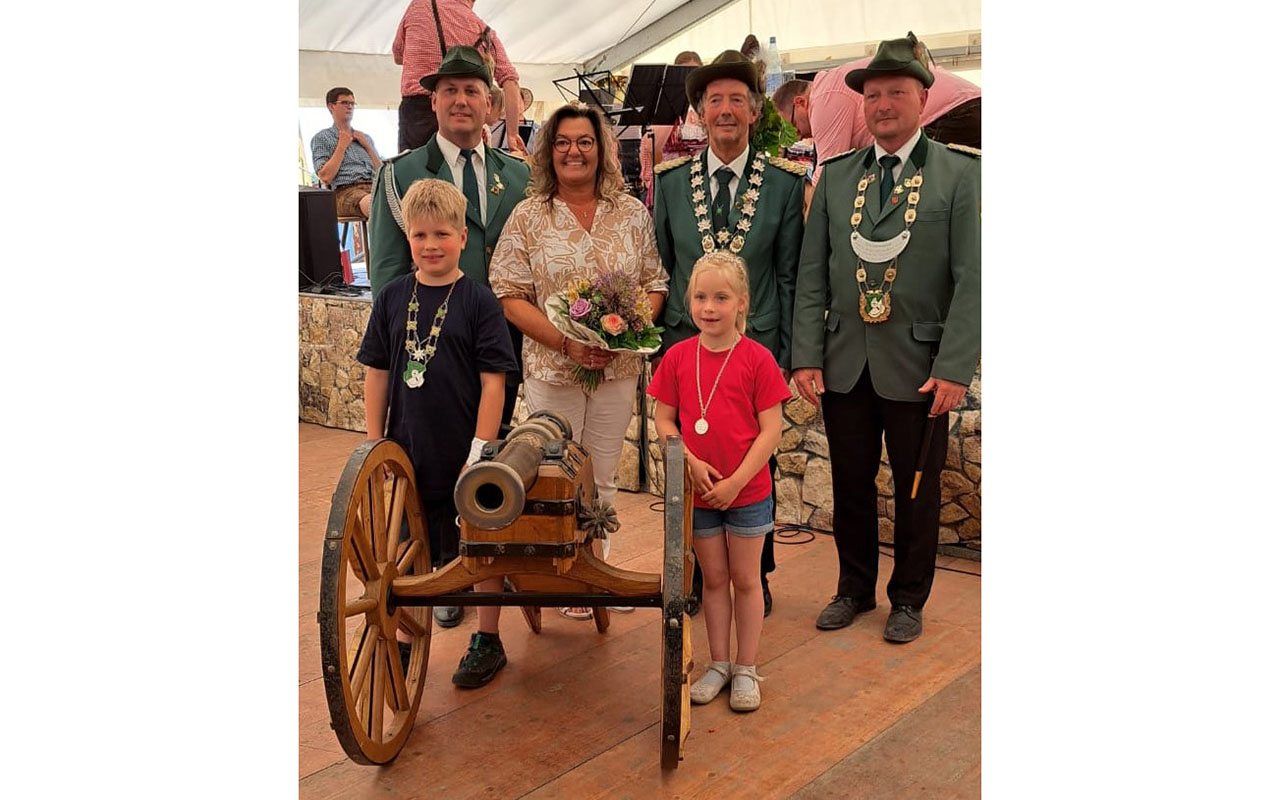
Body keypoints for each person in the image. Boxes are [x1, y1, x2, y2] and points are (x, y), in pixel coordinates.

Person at [790, 33, 981, 643]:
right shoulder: (839, 176)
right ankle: (853, 588)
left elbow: (973, 278)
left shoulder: (959, 174)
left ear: (922, 98)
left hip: (921, 366)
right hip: (845, 363)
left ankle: (908, 598)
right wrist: (805, 355)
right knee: (849, 483)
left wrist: (955, 367)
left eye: (896, 91)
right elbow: (812, 273)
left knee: (916, 489)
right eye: (872, 95)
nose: (882, 104)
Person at [489, 103, 668, 620]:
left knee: (604, 475)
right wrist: (567, 343)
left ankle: (598, 575)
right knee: (555, 476)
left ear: (602, 149)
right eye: (563, 141)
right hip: (552, 369)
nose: (574, 151)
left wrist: (627, 332)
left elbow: (655, 283)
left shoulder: (630, 213)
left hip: (615, 370)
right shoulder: (529, 215)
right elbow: (509, 293)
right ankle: (561, 577)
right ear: (549, 151)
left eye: (585, 141)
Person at [652, 49, 806, 618]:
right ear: (698, 110)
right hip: (686, 351)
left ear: (755, 109)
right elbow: (662, 270)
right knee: (688, 460)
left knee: (752, 467)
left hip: (755, 350)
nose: (725, 110)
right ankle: (697, 573)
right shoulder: (669, 183)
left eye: (736, 99)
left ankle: (754, 575)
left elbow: (789, 275)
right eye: (714, 99)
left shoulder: (786, 184)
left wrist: (788, 355)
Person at [355, 178, 519, 688]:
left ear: (463, 238)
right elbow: (377, 371)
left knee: (481, 543)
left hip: (466, 447)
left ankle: (487, 639)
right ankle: (406, 637)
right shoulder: (390, 298)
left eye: (442, 234)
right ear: (408, 239)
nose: (431, 246)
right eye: (421, 235)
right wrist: (374, 442)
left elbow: (495, 380)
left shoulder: (479, 300)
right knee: (408, 543)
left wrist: (479, 449)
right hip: (407, 447)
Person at [369, 45, 531, 462]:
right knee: (423, 463)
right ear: (434, 101)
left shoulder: (517, 175)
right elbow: (388, 269)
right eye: (450, 90)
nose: (461, 100)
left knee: (489, 467)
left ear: (490, 103)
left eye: (472, 91)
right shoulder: (400, 173)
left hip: (500, 347)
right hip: (426, 349)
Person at [648, 251, 791, 712]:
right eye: (701, 297)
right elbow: (664, 418)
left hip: (747, 492)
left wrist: (736, 482)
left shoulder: (758, 359)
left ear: (742, 303)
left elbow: (772, 430)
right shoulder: (676, 357)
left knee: (746, 580)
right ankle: (719, 663)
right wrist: (688, 458)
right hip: (701, 492)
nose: (709, 308)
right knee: (713, 579)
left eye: (721, 298)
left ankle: (747, 667)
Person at [770, 49, 980, 185]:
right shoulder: (831, 88)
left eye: (790, 125)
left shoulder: (823, 97)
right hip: (965, 106)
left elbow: (827, 178)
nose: (795, 136)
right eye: (872, 96)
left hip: (955, 111)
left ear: (800, 103)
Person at [393, 0, 527, 154]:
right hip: (464, 114)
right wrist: (512, 135)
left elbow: (398, 55)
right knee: (462, 173)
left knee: (414, 171)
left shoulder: (419, 6)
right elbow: (510, 81)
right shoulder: (483, 30)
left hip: (417, 113)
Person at [311, 87, 382, 219]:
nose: (350, 107)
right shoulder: (322, 138)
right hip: (344, 192)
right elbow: (325, 177)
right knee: (378, 205)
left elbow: (383, 172)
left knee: (410, 203)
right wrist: (341, 146)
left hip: (375, 188)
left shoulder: (364, 138)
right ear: (331, 107)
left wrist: (368, 147)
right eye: (344, 103)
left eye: (352, 104)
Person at [482, 83, 507, 149]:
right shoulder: (485, 131)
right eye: (499, 109)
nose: (500, 117)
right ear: (488, 104)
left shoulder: (485, 130)